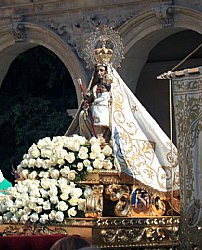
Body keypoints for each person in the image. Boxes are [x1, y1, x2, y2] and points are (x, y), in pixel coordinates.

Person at [66, 32, 178, 193]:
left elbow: (118, 101)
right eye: (99, 71)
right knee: (85, 115)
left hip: (108, 111)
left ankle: (102, 138)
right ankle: (96, 139)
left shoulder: (112, 85)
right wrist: (87, 101)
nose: (101, 74)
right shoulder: (96, 86)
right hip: (96, 110)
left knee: (102, 113)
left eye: (103, 70)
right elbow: (90, 96)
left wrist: (106, 92)